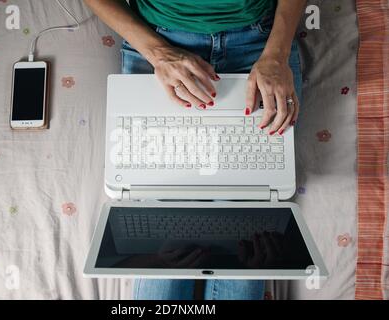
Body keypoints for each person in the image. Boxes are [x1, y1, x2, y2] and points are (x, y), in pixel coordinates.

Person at [85, 0, 306, 299]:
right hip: (157, 38)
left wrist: (277, 56)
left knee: (250, 212)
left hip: (262, 42)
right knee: (160, 208)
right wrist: (159, 54)